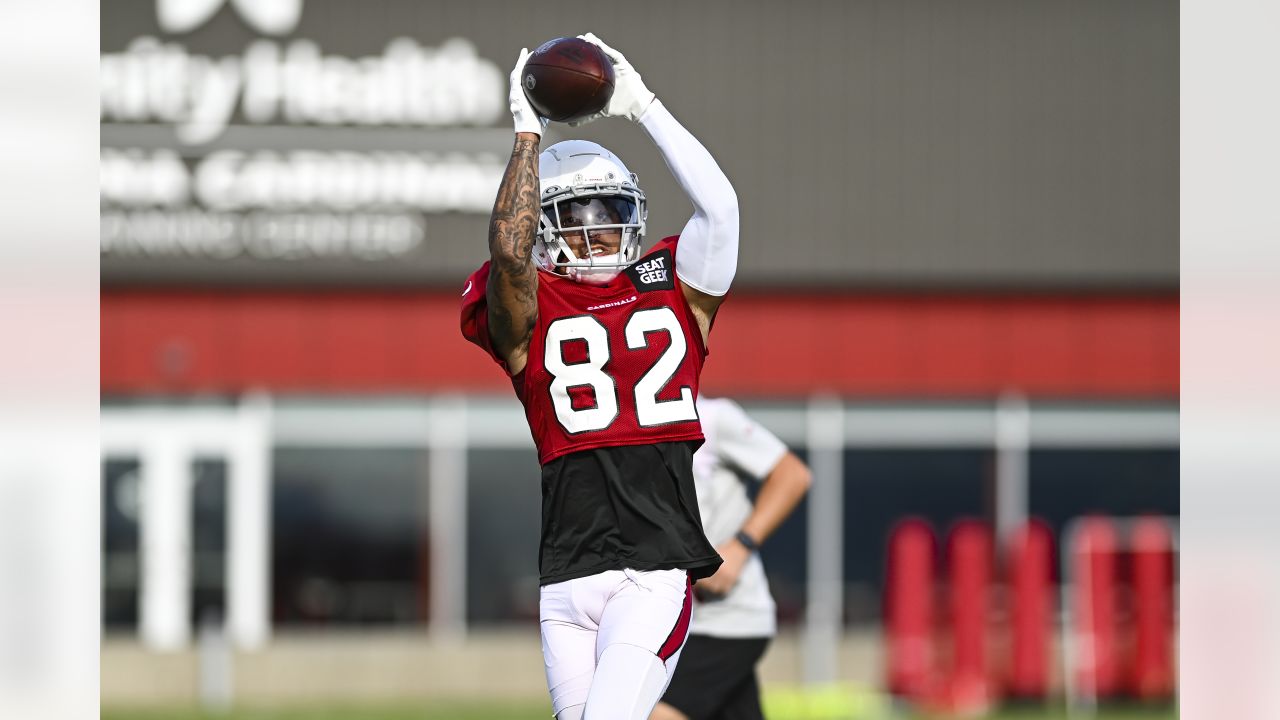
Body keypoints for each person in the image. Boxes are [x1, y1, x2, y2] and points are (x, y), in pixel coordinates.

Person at [460, 33, 740, 720]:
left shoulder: (676, 286)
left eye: (611, 213)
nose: (598, 233)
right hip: (567, 572)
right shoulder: (529, 310)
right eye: (576, 218)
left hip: (653, 567)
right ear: (546, 227)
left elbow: (722, 212)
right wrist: (527, 133)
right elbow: (508, 250)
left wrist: (642, 104)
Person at [651, 396, 812, 720]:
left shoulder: (712, 418)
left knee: (653, 712)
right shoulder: (622, 427)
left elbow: (792, 475)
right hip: (671, 623)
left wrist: (739, 548)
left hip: (723, 621)